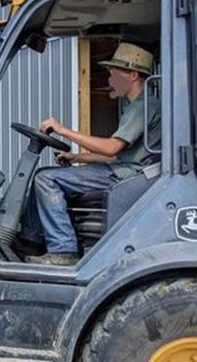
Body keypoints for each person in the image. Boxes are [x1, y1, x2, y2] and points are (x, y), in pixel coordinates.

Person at [20, 42, 160, 266]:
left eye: (114, 74)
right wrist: (76, 158)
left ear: (133, 75)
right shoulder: (136, 106)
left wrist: (63, 130)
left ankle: (63, 250)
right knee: (46, 172)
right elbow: (118, 156)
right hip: (124, 169)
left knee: (46, 179)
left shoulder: (143, 107)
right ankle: (30, 241)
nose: (109, 80)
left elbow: (111, 148)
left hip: (128, 176)